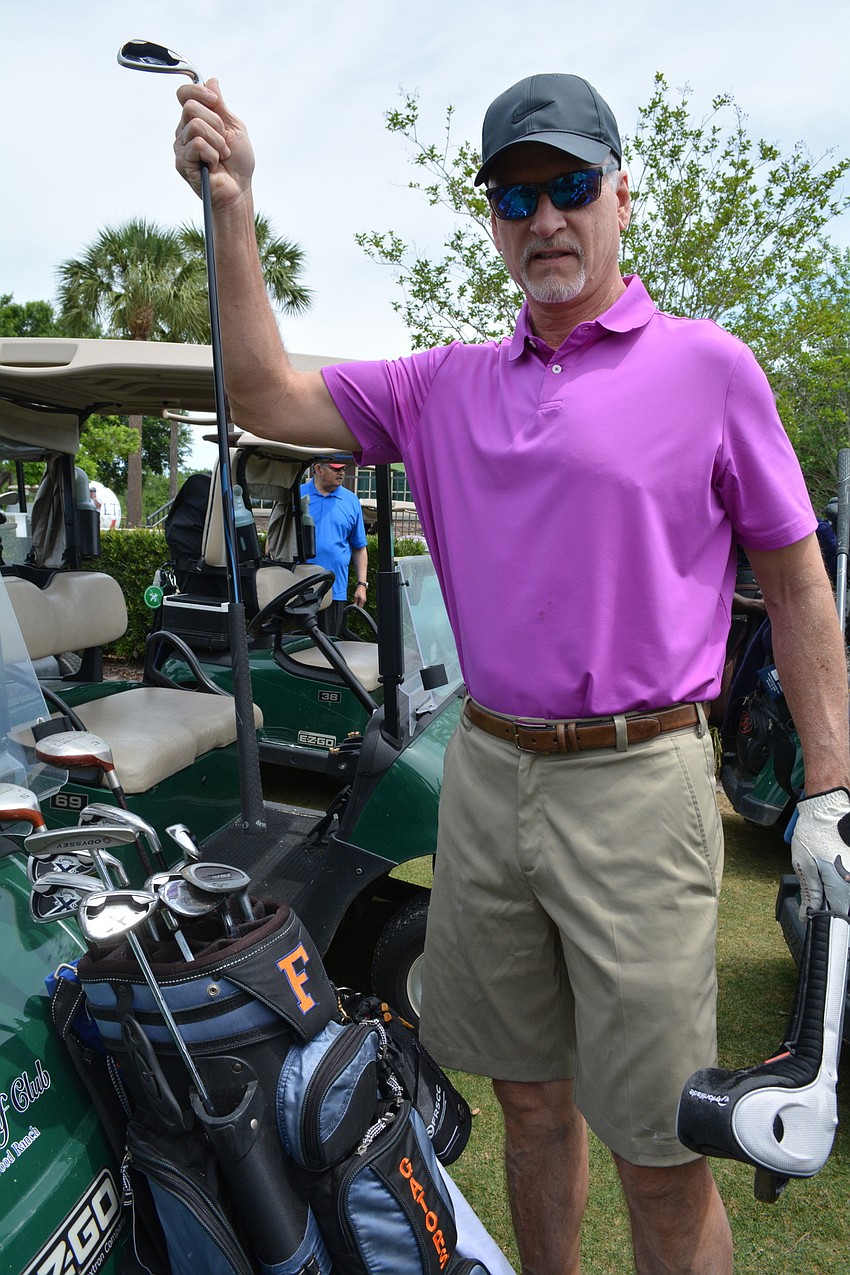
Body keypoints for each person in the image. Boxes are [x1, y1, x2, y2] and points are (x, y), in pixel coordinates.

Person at [173, 71, 850, 1275]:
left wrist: (829, 790)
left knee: (659, 1145)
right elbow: (267, 393)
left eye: (570, 186)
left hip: (639, 786)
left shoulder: (710, 370)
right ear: (492, 218)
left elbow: (797, 584)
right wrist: (233, 203)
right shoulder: (441, 387)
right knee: (531, 1109)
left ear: (622, 196)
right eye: (516, 195)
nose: (544, 219)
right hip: (485, 776)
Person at [300, 458, 368, 634]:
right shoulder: (296, 496)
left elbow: (359, 547)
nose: (342, 473)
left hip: (334, 592)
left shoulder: (351, 501)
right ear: (318, 469)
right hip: (298, 590)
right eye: (336, 469)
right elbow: (276, 538)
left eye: (344, 469)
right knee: (295, 650)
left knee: (329, 649)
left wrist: (362, 584)